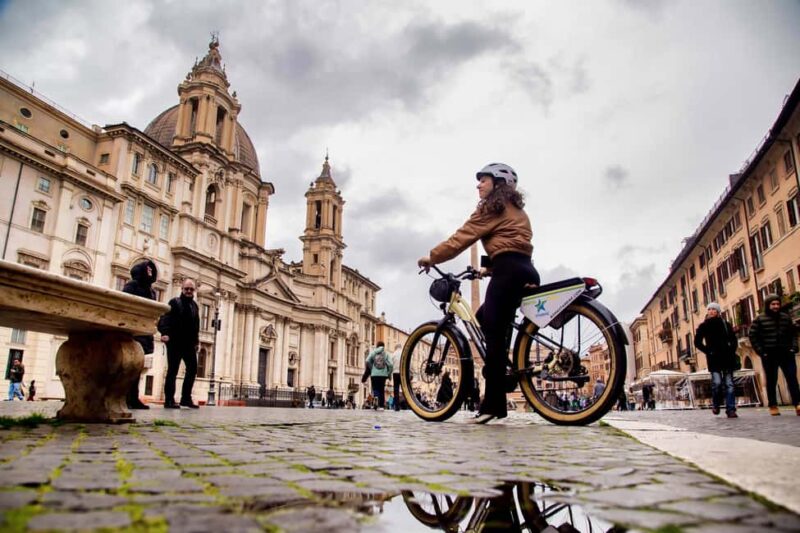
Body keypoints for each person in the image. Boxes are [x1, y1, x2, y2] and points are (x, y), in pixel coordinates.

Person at [418, 163, 538, 424]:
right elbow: (514, 242)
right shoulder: (516, 209)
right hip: (524, 270)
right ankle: (506, 369)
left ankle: (493, 405)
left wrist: (432, 256)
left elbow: (463, 237)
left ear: (497, 183)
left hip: (508, 271)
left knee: (493, 334)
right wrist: (489, 269)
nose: (478, 185)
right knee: (485, 318)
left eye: (483, 180)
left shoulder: (491, 207)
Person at [749, 294, 800, 416]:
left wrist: (794, 347)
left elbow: (793, 334)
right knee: (772, 380)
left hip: (786, 352)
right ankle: (773, 405)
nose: (776, 306)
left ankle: (798, 404)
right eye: (773, 304)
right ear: (768, 305)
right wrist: (761, 352)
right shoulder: (759, 319)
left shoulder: (786, 318)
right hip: (769, 354)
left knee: (792, 378)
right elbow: (753, 336)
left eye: (777, 304)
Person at [157, 278, 200, 409]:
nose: (188, 291)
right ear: (182, 289)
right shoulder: (174, 302)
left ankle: (186, 399)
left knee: (192, 369)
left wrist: (196, 342)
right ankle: (169, 400)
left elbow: (196, 325)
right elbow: (165, 318)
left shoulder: (194, 306)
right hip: (175, 342)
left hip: (189, 344)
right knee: (172, 371)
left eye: (191, 289)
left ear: (194, 291)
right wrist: (164, 333)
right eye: (186, 289)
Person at [122, 259, 159, 410]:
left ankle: (133, 397)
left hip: (145, 331)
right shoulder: (132, 286)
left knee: (137, 367)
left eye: (151, 270)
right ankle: (125, 397)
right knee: (129, 366)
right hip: (133, 330)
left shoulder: (152, 291)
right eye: (147, 270)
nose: (150, 272)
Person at [694, 302, 739, 418]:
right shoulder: (704, 325)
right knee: (717, 383)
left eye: (714, 309)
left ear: (718, 312)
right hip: (714, 359)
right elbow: (697, 342)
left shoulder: (725, 324)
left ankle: (731, 409)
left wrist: (731, 349)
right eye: (709, 309)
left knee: (729, 384)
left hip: (727, 358)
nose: (711, 311)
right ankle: (716, 404)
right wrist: (708, 351)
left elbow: (734, 339)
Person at [363, 341, 392, 411]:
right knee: (381, 389)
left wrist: (372, 368)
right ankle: (381, 406)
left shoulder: (373, 352)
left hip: (374, 374)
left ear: (377, 346)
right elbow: (390, 365)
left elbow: (367, 361)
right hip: (383, 374)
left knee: (375, 388)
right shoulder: (386, 354)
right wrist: (388, 373)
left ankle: (376, 397)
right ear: (383, 346)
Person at [390, 343, 403, 411]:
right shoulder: (403, 352)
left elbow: (391, 364)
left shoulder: (393, 354)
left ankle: (397, 406)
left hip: (395, 373)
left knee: (396, 389)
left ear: (395, 347)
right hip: (402, 373)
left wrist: (390, 373)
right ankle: (405, 404)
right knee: (404, 389)